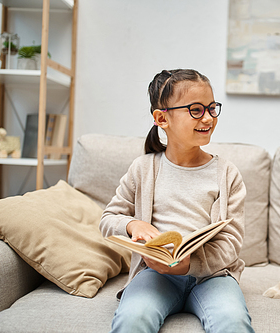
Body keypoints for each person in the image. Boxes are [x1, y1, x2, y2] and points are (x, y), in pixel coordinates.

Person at [100, 69, 254, 333]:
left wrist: (189, 264)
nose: (207, 117)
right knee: (132, 320)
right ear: (162, 118)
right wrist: (133, 225)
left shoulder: (227, 173)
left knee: (233, 322)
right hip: (155, 275)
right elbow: (108, 219)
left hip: (212, 277)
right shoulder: (143, 169)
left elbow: (231, 242)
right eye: (195, 109)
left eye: (211, 108)